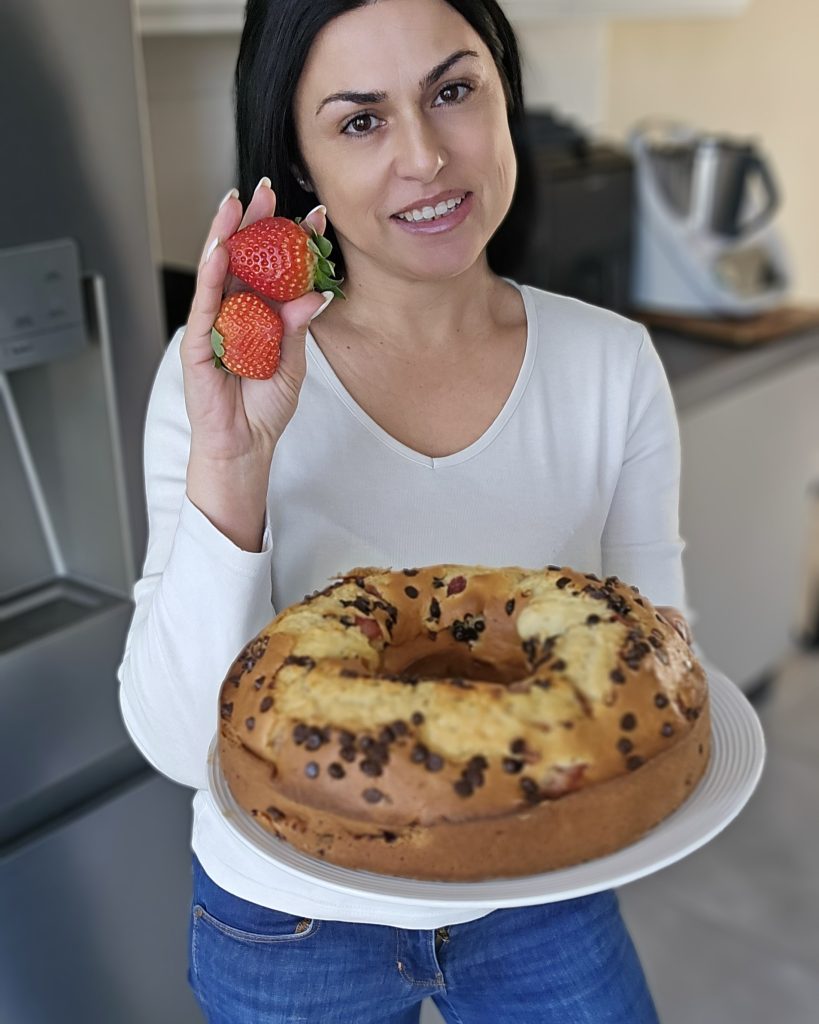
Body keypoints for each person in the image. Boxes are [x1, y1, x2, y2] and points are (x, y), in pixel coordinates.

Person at [118, 0, 695, 1020]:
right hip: (292, 913)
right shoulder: (225, 381)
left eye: (452, 91)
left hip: (539, 884)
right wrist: (233, 462)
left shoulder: (613, 366)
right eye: (360, 120)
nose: (425, 157)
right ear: (300, 163)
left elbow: (657, 670)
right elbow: (177, 744)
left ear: (505, 92)